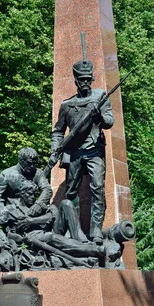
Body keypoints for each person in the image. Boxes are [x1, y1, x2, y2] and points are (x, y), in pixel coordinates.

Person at [50, 59, 114, 244]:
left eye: (88, 79)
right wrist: (56, 149)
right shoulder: (67, 105)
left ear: (92, 79)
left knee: (98, 189)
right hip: (74, 153)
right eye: (81, 79)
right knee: (70, 193)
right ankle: (73, 230)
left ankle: (95, 232)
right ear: (75, 81)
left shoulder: (100, 97)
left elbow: (109, 121)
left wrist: (99, 117)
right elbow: (58, 131)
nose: (85, 82)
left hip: (94, 150)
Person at [0, 147, 52, 217]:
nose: (32, 166)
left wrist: (38, 204)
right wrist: (3, 213)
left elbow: (47, 189)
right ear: (21, 160)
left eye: (34, 163)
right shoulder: (6, 174)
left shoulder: (38, 173)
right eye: (29, 163)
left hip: (31, 214)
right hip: (12, 214)